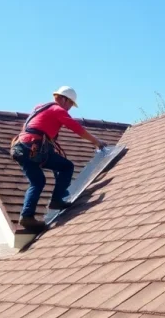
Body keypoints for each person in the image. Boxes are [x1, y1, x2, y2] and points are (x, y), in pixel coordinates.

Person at [11, 86, 107, 231]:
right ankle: (56, 200)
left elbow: (40, 126)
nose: (69, 109)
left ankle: (27, 216)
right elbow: (77, 129)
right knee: (66, 166)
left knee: (37, 182)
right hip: (33, 147)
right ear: (63, 99)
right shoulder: (58, 110)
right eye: (70, 104)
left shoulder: (40, 107)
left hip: (22, 147)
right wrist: (96, 141)